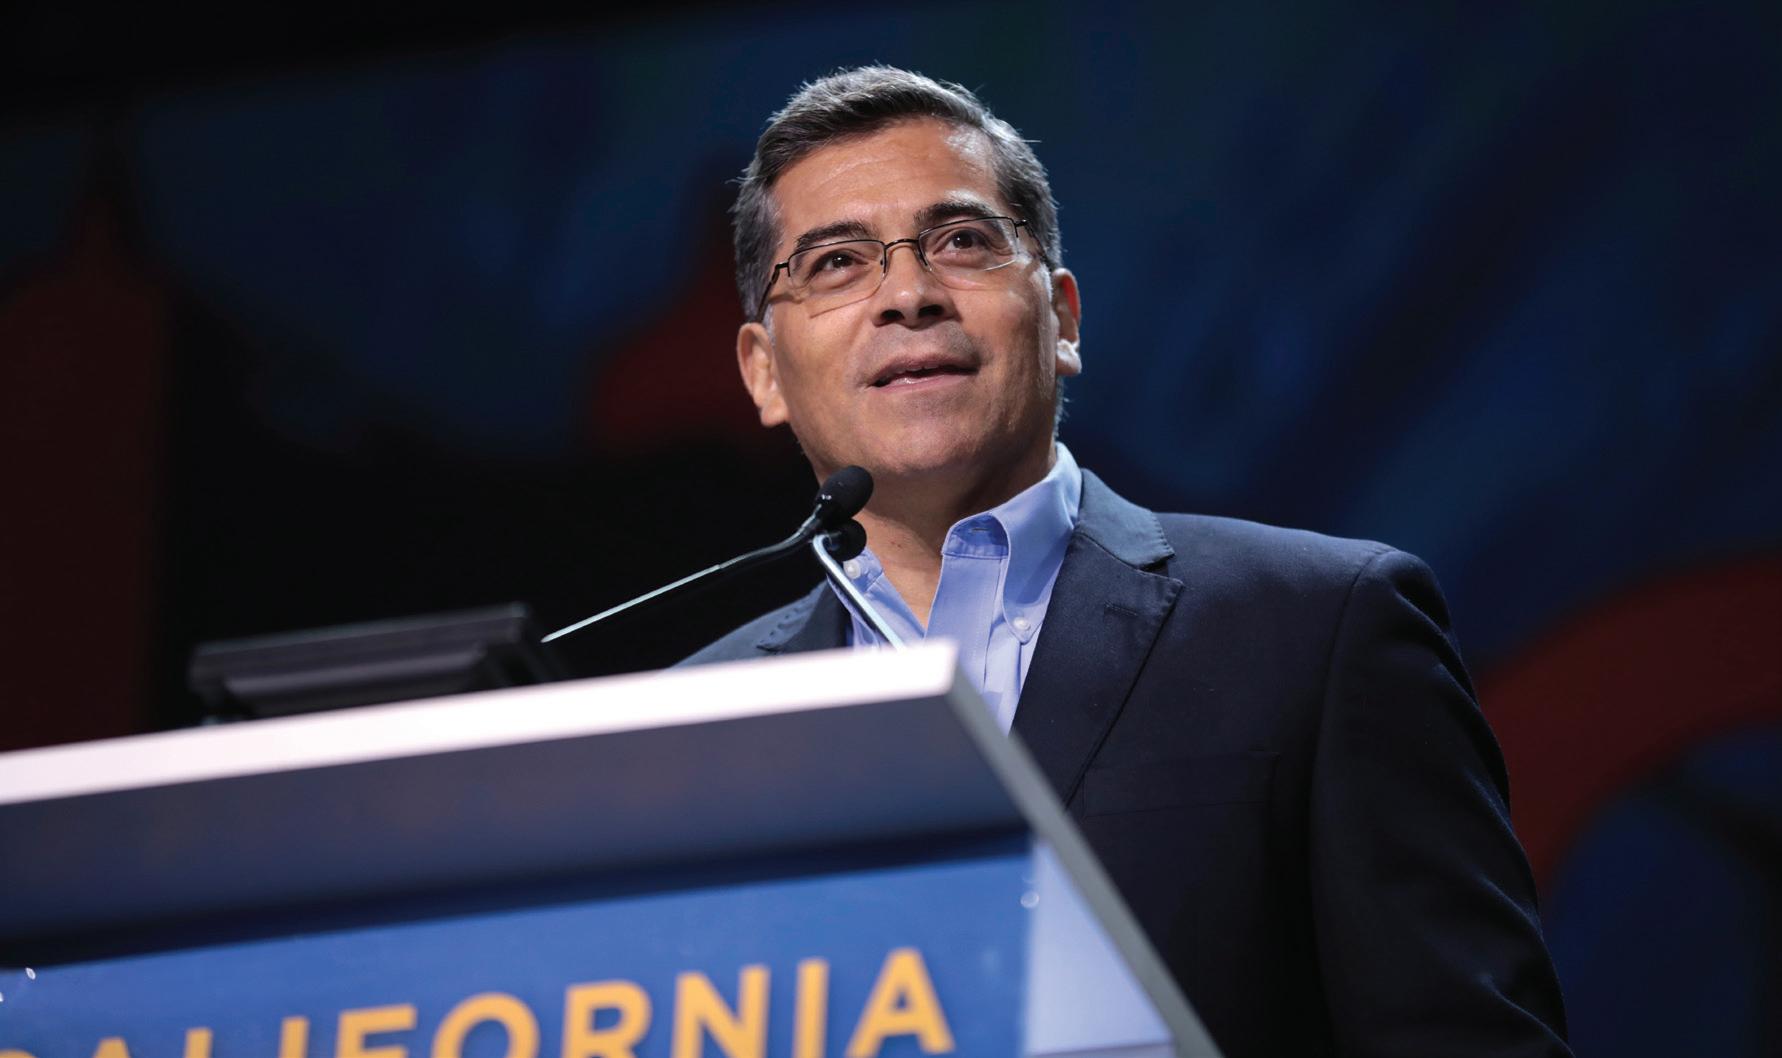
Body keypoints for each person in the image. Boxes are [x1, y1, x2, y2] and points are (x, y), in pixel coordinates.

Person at [685, 66, 1571, 1058]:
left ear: (1062, 318)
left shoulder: (1319, 628)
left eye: (963, 241)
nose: (909, 294)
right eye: (837, 263)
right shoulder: (691, 726)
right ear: (764, 371)